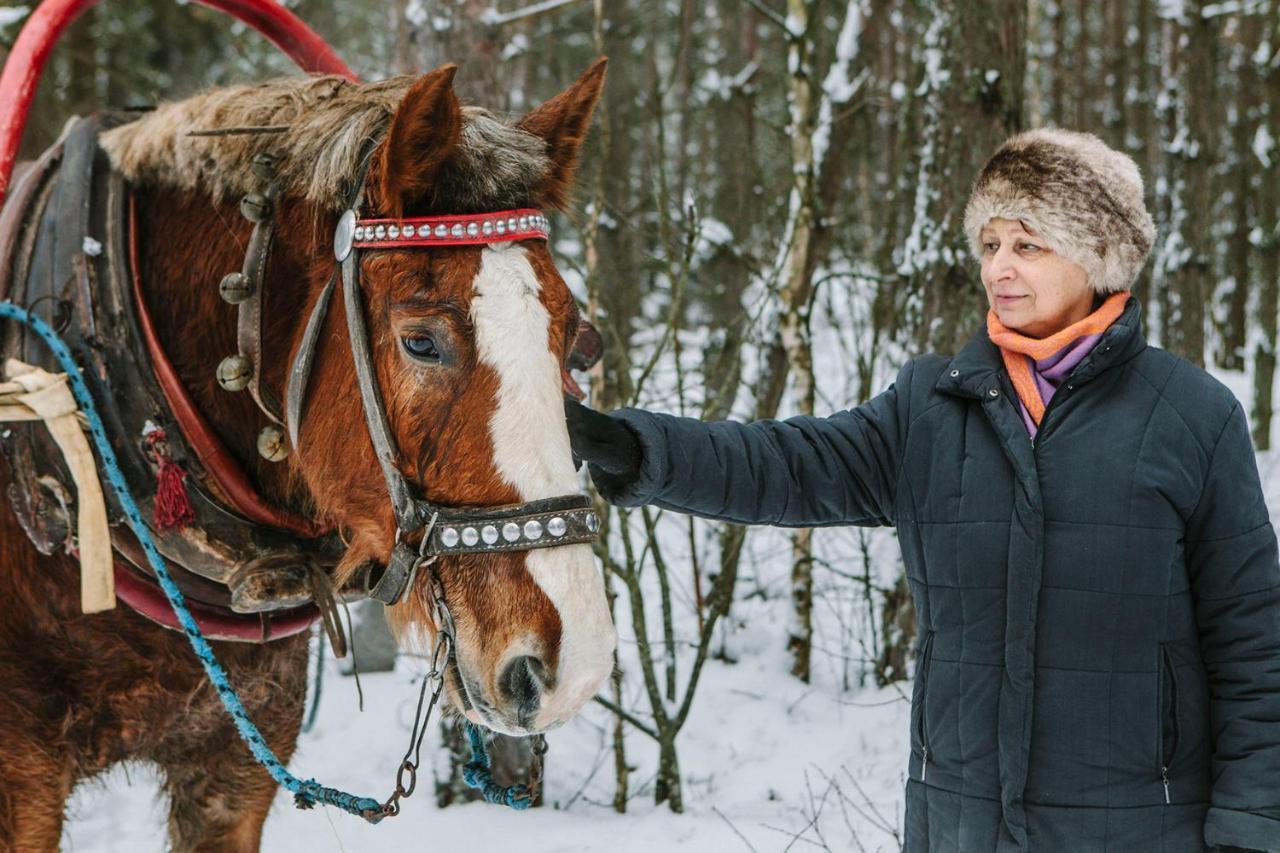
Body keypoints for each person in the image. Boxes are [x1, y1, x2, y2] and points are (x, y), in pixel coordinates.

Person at [565, 129, 1280, 852]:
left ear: (1095, 255)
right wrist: (631, 446)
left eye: (1027, 245)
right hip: (960, 827)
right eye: (990, 243)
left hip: (1140, 830)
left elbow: (1253, 645)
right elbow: (784, 464)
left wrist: (1250, 832)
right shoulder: (934, 406)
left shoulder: (1192, 416)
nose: (999, 266)